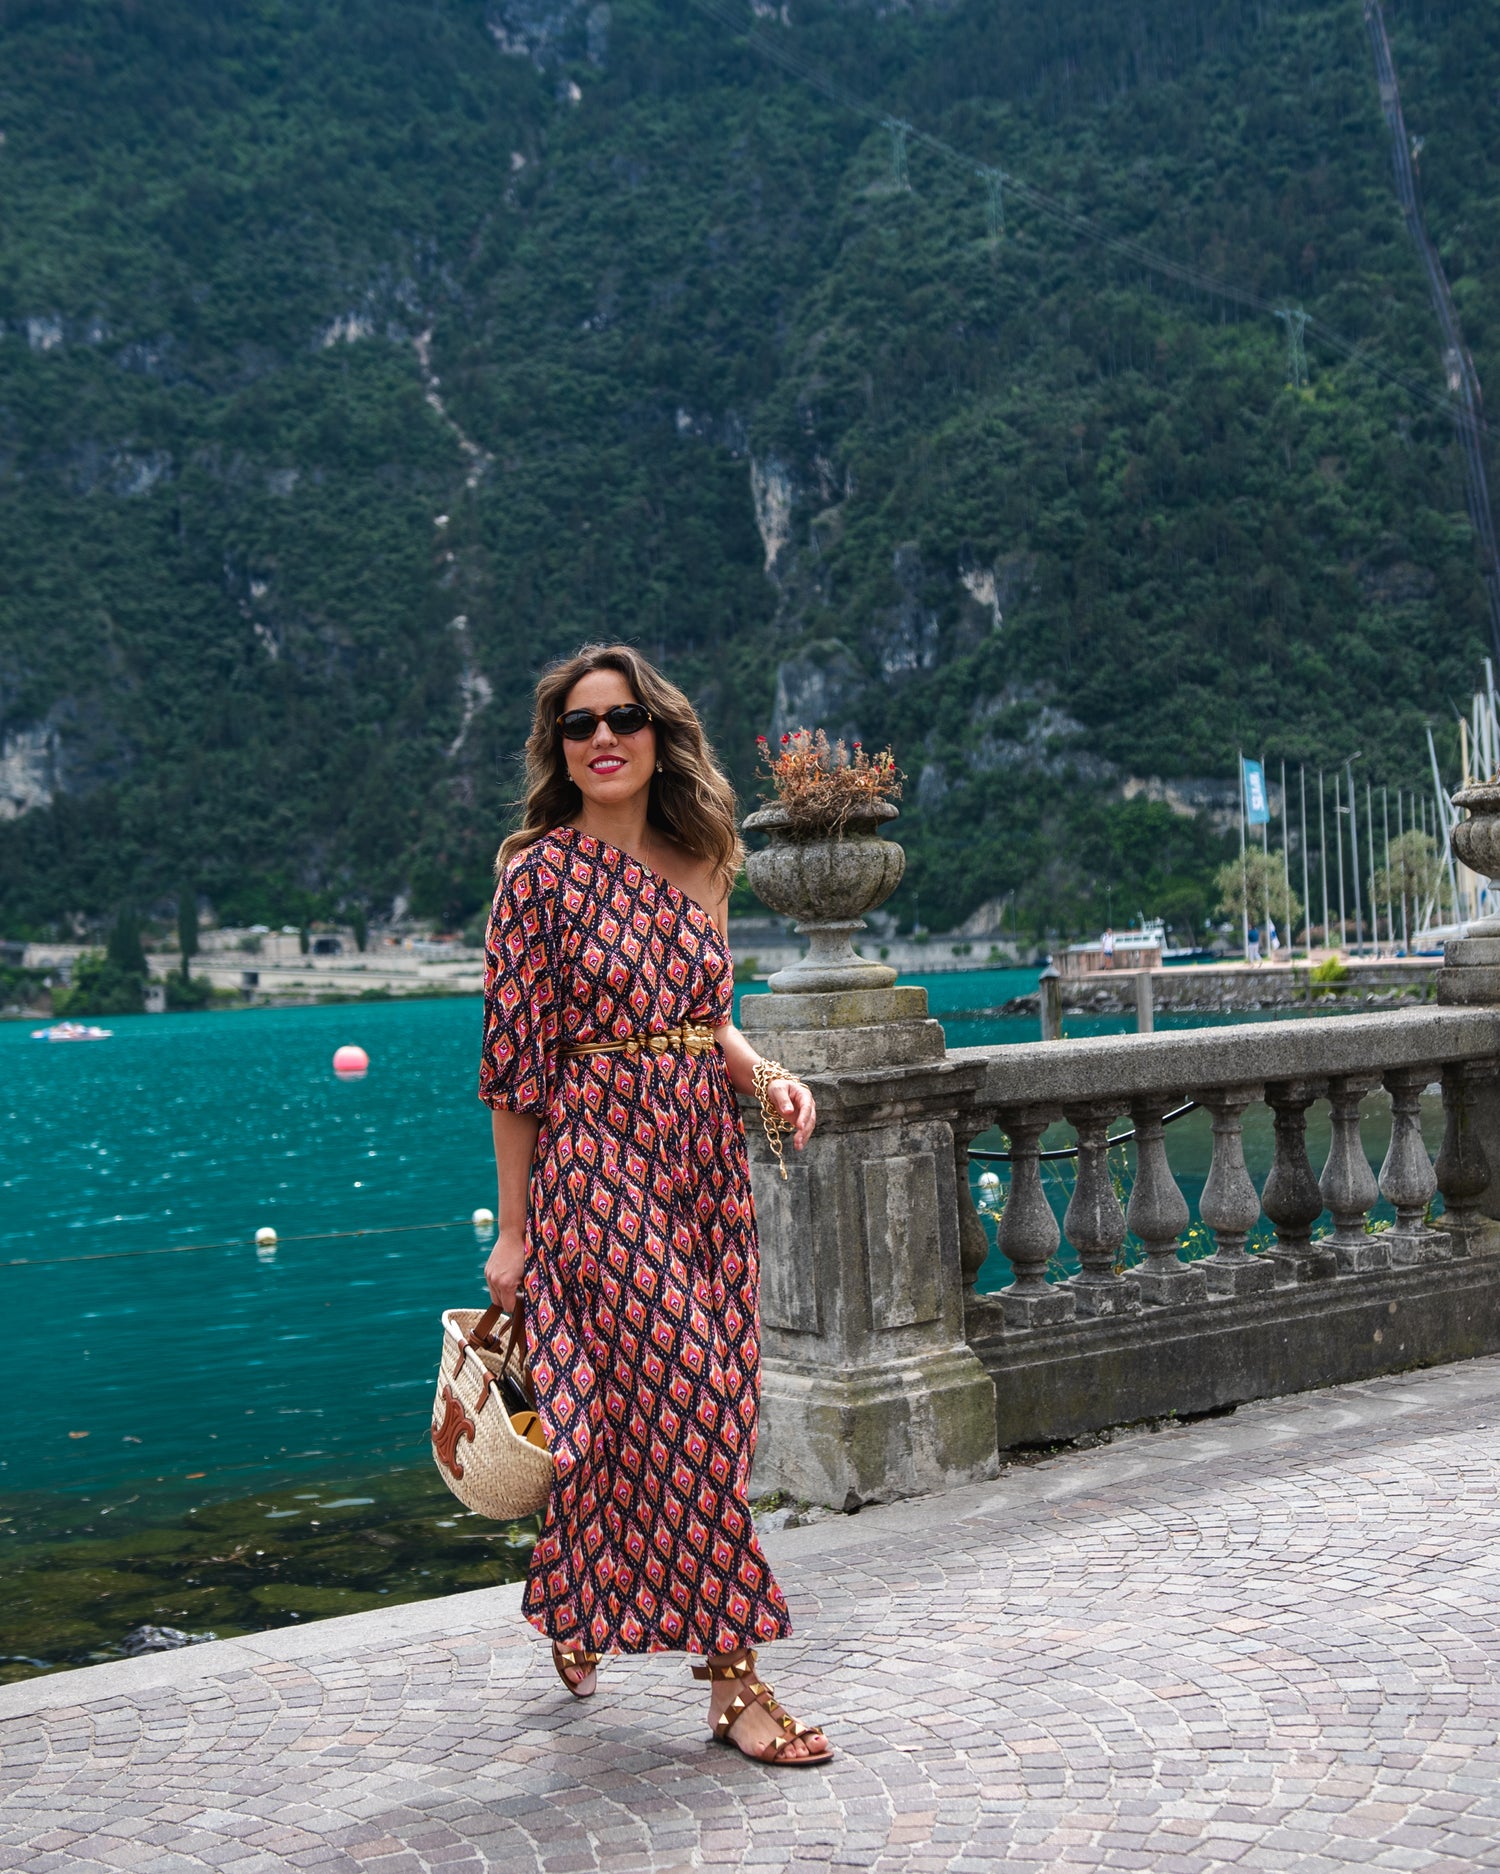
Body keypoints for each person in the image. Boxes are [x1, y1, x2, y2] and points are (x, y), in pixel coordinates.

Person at [478, 642, 833, 1769]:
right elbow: (515, 1071)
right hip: (596, 1167)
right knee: (689, 1397)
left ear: (656, 731)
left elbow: (707, 1019)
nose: (603, 737)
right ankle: (737, 1684)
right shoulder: (538, 877)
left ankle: (576, 1599)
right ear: (560, 748)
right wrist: (515, 1231)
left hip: (702, 1163)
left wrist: (770, 1079)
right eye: (580, 723)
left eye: (622, 716)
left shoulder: (703, 858)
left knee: (688, 1410)